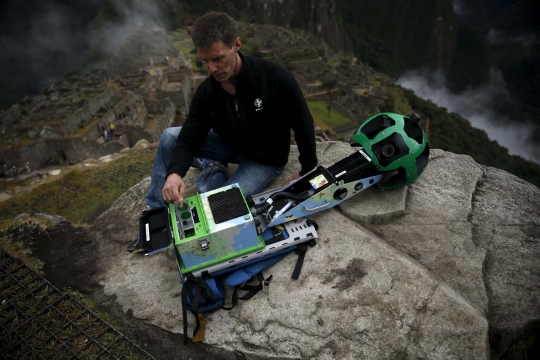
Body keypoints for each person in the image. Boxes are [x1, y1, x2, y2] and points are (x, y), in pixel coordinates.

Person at [145, 12, 317, 210]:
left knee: (221, 207)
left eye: (218, 58)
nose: (211, 68)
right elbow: (191, 134)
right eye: (204, 61)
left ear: (236, 45)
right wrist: (175, 173)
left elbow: (302, 122)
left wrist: (308, 170)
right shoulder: (207, 91)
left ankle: (212, 173)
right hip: (229, 146)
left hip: (264, 161)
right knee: (168, 136)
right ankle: (155, 211)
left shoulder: (274, 77)